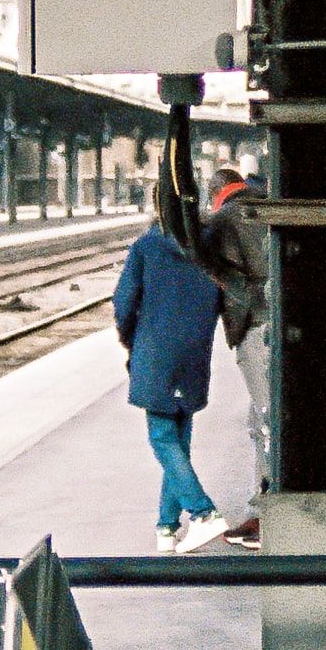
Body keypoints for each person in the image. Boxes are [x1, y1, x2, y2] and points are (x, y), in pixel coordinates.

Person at [112, 213, 228, 553]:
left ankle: (203, 513)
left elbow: (123, 302)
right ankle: (166, 527)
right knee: (178, 440)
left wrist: (131, 337)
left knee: (162, 439)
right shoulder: (208, 250)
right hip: (194, 354)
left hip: (156, 353)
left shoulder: (146, 247)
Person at [197, 167, 272, 541]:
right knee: (259, 420)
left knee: (267, 420)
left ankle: (267, 516)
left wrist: (235, 325)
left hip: (258, 329)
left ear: (216, 193)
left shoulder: (225, 219)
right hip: (279, 320)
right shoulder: (266, 204)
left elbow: (227, 278)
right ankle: (264, 505)